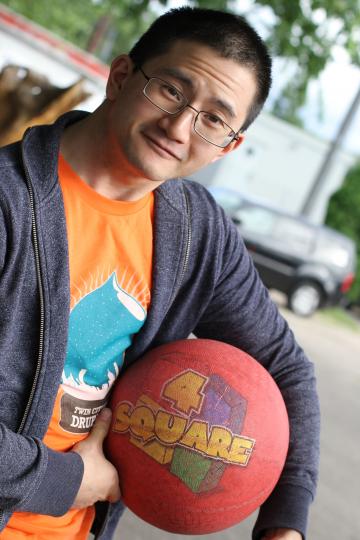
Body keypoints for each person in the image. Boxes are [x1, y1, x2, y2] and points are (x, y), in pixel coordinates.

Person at [0, 6, 320, 540]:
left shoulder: (196, 232)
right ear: (121, 77)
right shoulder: (9, 204)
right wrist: (63, 481)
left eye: (214, 119)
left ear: (230, 144)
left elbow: (287, 370)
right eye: (171, 90)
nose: (179, 127)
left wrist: (285, 523)